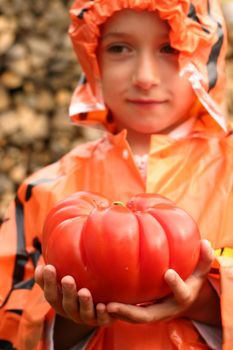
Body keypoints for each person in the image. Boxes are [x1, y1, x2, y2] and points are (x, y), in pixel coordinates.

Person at [0, 0, 233, 349]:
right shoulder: (43, 191)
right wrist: (66, 319)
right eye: (119, 48)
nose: (144, 77)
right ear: (91, 58)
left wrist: (204, 302)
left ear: (204, 56)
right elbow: (8, 324)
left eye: (170, 47)